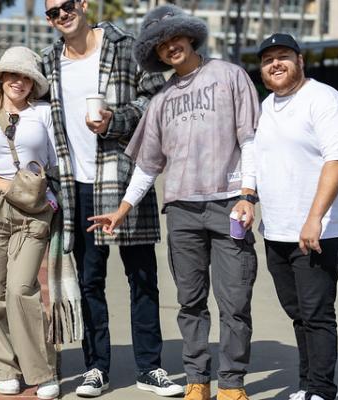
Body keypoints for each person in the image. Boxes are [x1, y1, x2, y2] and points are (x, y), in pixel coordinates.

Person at [88, 5, 260, 400]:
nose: (170, 47)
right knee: (190, 302)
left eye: (174, 38)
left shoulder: (229, 75)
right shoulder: (161, 100)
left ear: (190, 36)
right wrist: (122, 209)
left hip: (229, 205)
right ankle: (198, 380)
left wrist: (248, 195)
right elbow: (148, 166)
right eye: (160, 45)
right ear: (156, 54)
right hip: (182, 211)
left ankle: (232, 384)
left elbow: (250, 140)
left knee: (235, 301)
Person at [41, 0, 183, 397]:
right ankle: (96, 368)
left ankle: (150, 368)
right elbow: (15, 93)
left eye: (67, 6)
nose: (61, 15)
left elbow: (155, 98)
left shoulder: (126, 47)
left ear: (83, 4)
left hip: (123, 179)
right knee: (90, 281)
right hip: (76, 185)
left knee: (142, 278)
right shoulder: (49, 60)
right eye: (52, 12)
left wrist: (115, 121)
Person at [255, 33, 338, 400]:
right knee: (298, 312)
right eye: (268, 60)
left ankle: (322, 390)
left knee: (316, 313)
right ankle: (307, 385)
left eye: (283, 56)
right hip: (277, 229)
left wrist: (315, 218)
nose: (275, 64)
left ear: (300, 60)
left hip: (318, 229)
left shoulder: (325, 100)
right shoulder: (267, 106)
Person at [0, 46, 60, 400]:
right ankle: (5, 368)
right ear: (1, 78)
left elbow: (56, 161)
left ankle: (42, 370)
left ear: (33, 83)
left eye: (26, 77)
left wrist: (53, 197)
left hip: (33, 208)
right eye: (13, 75)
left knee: (21, 289)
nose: (19, 82)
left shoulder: (44, 113)